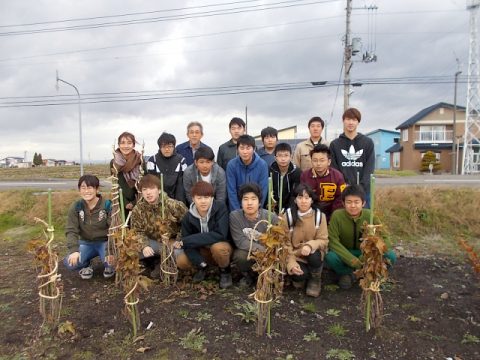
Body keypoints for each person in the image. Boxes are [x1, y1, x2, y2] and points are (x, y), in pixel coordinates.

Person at [325, 184, 397, 289]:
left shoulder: (370, 215)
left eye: (356, 202)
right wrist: (353, 261)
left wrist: (365, 257)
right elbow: (333, 241)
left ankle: (364, 274)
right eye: (349, 202)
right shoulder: (337, 216)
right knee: (331, 257)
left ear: (363, 203)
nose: (353, 206)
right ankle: (349, 273)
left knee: (390, 256)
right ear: (343, 203)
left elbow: (385, 238)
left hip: (366, 253)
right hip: (346, 252)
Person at [173, 181, 233, 289]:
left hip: (221, 246)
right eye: (199, 198)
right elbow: (188, 245)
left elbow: (220, 234)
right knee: (181, 261)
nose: (203, 201)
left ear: (212, 198)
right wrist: (200, 262)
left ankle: (225, 272)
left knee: (218, 248)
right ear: (193, 199)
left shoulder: (220, 208)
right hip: (202, 250)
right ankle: (203, 268)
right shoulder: (188, 217)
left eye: (206, 197)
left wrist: (187, 240)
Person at [130, 174, 188, 278]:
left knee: (182, 260)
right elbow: (136, 231)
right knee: (129, 248)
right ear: (141, 192)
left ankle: (163, 263)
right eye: (144, 189)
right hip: (152, 242)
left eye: (152, 188)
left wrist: (179, 239)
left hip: (171, 242)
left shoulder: (174, 205)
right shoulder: (138, 210)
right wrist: (144, 245)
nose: (148, 192)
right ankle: (148, 263)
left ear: (159, 190)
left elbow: (188, 224)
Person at [64, 175, 114, 280]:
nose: (87, 191)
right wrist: (74, 250)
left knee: (112, 263)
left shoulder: (107, 205)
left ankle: (108, 265)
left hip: (104, 242)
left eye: (90, 187)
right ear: (79, 190)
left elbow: (113, 229)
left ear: (97, 189)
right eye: (83, 188)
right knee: (70, 263)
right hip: (86, 243)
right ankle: (86, 264)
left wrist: (111, 250)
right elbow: (71, 230)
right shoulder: (76, 206)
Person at [230, 183, 278, 286]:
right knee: (240, 255)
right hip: (250, 251)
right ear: (241, 202)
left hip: (268, 254)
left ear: (259, 202)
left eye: (253, 199)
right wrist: (261, 250)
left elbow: (277, 240)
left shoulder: (271, 217)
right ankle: (248, 275)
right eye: (245, 199)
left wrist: (267, 252)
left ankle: (266, 275)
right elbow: (240, 241)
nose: (249, 203)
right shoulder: (235, 217)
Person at [285, 184, 328, 297]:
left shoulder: (319, 216)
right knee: (298, 277)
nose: (303, 201)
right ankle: (303, 276)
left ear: (312, 200)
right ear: (295, 200)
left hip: (313, 253)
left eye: (307, 198)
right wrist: (291, 263)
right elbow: (285, 243)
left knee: (314, 256)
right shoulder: (288, 216)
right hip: (296, 255)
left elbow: (323, 240)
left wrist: (310, 245)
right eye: (300, 197)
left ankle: (315, 278)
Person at [329, 108, 375, 207]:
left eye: (354, 120)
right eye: (348, 119)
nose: (351, 122)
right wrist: (343, 185)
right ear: (343, 121)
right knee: (342, 219)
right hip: (342, 191)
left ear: (358, 122)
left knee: (364, 220)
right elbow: (333, 168)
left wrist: (361, 188)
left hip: (364, 192)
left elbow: (369, 168)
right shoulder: (335, 144)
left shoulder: (367, 142)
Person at [300, 144, 346, 222]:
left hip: (332, 213)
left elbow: (340, 199)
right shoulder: (305, 176)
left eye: (322, 160)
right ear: (311, 161)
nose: (318, 164)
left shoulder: (338, 176)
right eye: (315, 160)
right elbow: (302, 197)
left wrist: (332, 217)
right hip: (311, 212)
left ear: (329, 162)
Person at [226, 135, 268, 211]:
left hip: (256, 209)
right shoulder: (231, 165)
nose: (245, 152)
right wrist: (237, 213)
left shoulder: (262, 165)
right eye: (242, 148)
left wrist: (256, 210)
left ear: (254, 149)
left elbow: (263, 190)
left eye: (248, 148)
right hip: (237, 209)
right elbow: (231, 191)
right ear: (237, 149)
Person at [146, 132, 187, 203]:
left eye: (170, 146)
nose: (167, 149)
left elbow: (181, 184)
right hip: (158, 199)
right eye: (164, 146)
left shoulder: (181, 160)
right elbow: (151, 182)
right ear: (159, 147)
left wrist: (178, 203)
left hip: (177, 200)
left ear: (174, 146)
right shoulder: (153, 160)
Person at [110, 131, 142, 217]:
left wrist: (134, 202)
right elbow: (115, 185)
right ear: (119, 145)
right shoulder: (114, 162)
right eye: (123, 143)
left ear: (133, 145)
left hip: (138, 201)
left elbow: (144, 183)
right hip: (121, 201)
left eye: (129, 143)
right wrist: (125, 202)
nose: (126, 146)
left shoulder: (140, 160)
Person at [270, 142, 301, 213]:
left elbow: (295, 193)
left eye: (286, 155)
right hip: (273, 208)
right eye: (280, 156)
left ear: (291, 156)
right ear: (275, 158)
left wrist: (289, 210)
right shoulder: (270, 170)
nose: (283, 159)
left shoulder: (297, 172)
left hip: (291, 208)